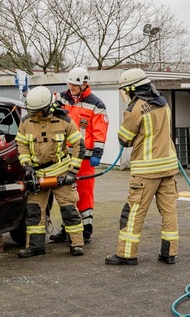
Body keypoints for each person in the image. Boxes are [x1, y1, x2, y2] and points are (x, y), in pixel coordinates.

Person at [105, 68, 179, 266]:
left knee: (133, 212)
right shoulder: (163, 103)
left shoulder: (135, 109)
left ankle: (126, 254)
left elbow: (125, 140)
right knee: (169, 211)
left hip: (146, 172)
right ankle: (169, 253)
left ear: (131, 89)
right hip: (168, 167)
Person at [16, 86, 85, 258]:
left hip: (61, 171)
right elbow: (22, 145)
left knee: (69, 209)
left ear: (47, 108)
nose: (34, 115)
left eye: (37, 112)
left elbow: (79, 145)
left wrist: (72, 171)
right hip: (38, 174)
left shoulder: (64, 120)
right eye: (32, 111)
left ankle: (76, 244)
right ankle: (35, 246)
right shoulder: (26, 122)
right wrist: (27, 166)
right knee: (34, 212)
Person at [50, 67, 109, 244]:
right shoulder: (61, 98)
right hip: (64, 156)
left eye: (75, 84)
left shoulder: (96, 104)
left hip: (85, 157)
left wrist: (97, 153)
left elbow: (100, 130)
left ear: (84, 84)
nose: (71, 87)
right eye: (69, 83)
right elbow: (45, 102)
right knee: (66, 193)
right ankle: (67, 229)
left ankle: (85, 230)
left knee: (84, 193)